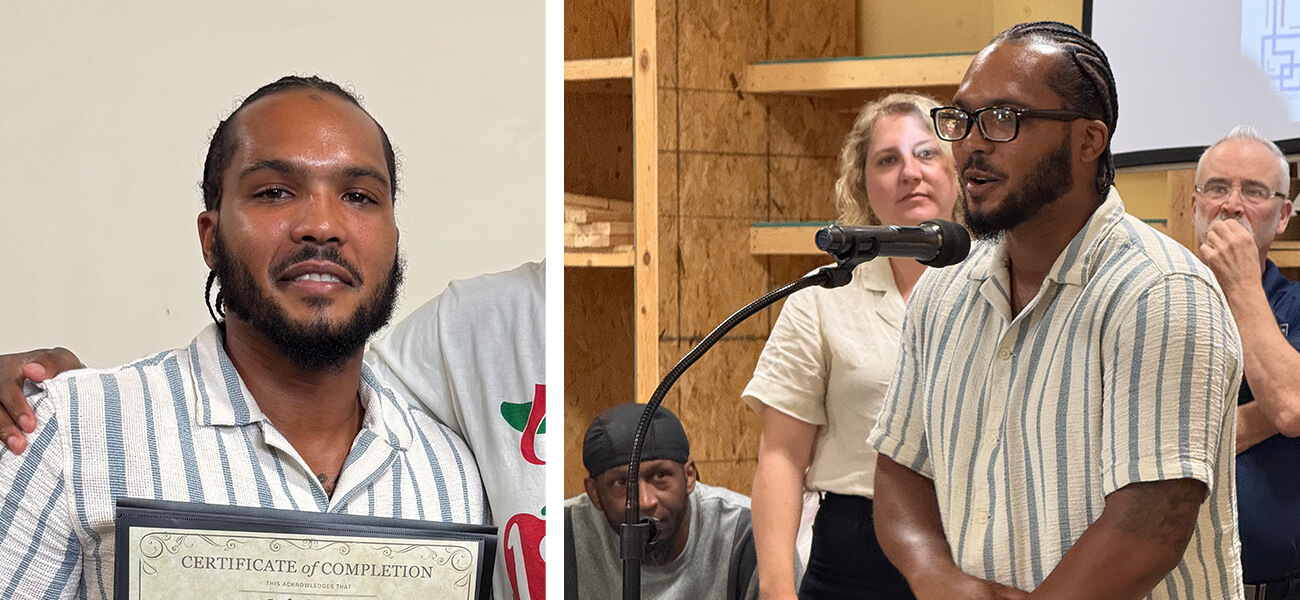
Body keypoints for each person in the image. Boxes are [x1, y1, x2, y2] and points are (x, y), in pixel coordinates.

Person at [0, 75, 488, 598]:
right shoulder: (67, 428)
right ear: (211, 239)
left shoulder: (454, 470)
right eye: (274, 192)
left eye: (359, 196)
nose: (322, 225)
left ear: (392, 239)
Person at [867, 21, 1243, 600]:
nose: (971, 143)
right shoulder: (943, 294)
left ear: (1089, 141)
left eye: (1003, 118)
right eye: (962, 119)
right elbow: (901, 469)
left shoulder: (1160, 290)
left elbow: (1149, 528)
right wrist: (937, 578)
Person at [741, 92, 957, 600]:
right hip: (853, 557)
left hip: (976, 548)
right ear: (863, 183)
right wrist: (776, 589)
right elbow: (781, 455)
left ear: (958, 168)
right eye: (888, 159)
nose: (910, 172)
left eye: (926, 153)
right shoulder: (824, 294)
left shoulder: (1006, 281)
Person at [1191, 127, 1300, 599]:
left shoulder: (1296, 303)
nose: (1232, 204)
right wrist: (1258, 417)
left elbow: (1291, 406)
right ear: (1196, 204)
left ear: (1283, 216)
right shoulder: (1156, 300)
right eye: (1217, 188)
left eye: (1254, 192)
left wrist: (1241, 285)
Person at [563, 403, 762, 600]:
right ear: (594, 493)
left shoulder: (745, 533)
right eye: (622, 482)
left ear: (689, 476)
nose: (645, 501)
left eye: (660, 476)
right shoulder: (562, 534)